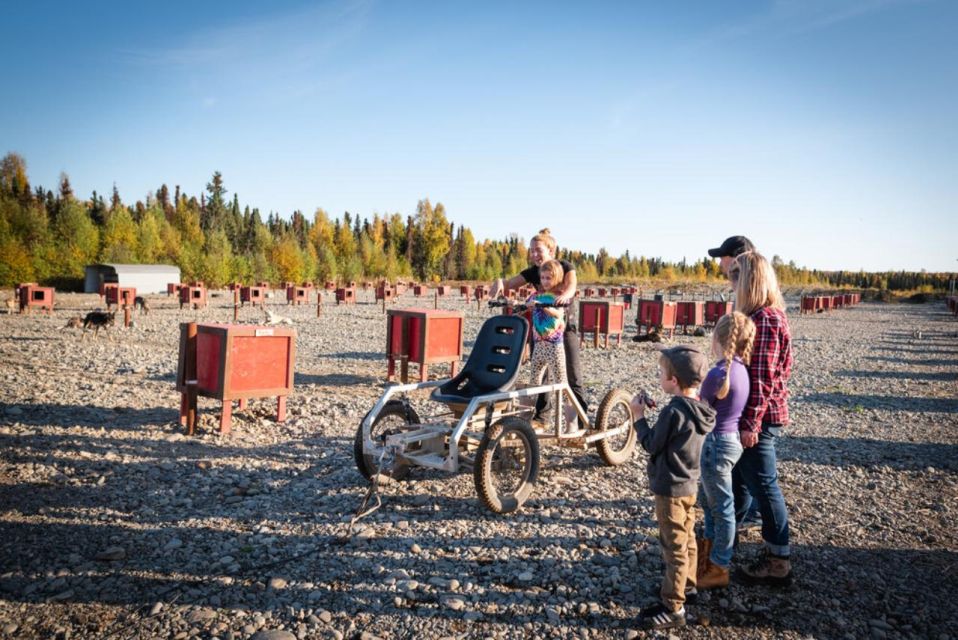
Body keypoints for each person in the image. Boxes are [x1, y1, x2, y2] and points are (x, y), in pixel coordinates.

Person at [631, 346, 715, 630]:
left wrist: (638, 417)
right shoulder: (700, 407)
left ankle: (673, 606)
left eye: (661, 373)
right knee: (688, 538)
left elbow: (652, 444)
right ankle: (687, 586)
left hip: (669, 489)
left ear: (674, 381)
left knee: (674, 546)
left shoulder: (674, 411)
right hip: (690, 485)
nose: (659, 376)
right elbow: (677, 432)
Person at [730, 252, 794, 586]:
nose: (731, 282)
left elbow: (763, 379)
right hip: (751, 417)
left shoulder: (766, 319)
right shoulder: (761, 315)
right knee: (741, 479)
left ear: (751, 280)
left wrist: (750, 423)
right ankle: (726, 537)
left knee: (764, 486)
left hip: (759, 418)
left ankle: (778, 560)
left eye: (736, 276)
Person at [491, 228, 587, 412]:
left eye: (538, 250)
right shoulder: (533, 272)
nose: (534, 254)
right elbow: (509, 284)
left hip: (563, 325)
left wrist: (564, 296)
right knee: (540, 373)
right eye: (532, 250)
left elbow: (572, 285)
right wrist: (500, 282)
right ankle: (541, 417)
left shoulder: (564, 266)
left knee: (571, 373)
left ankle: (579, 420)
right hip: (542, 328)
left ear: (551, 251)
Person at [696, 312, 756, 590]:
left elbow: (699, 409)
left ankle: (719, 565)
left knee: (721, 507)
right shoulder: (743, 370)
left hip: (715, 444)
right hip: (731, 441)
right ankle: (707, 557)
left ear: (717, 339)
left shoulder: (718, 373)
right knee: (710, 503)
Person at [708, 234, 761, 531]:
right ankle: (740, 515)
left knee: (754, 467)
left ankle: (742, 517)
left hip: (745, 402)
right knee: (741, 465)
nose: (720, 263)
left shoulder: (755, 303)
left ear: (739, 258)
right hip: (741, 395)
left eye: (723, 257)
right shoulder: (744, 295)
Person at [527, 260, 568, 431]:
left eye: (549, 278)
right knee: (534, 380)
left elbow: (558, 314)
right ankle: (528, 414)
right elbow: (526, 304)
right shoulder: (536, 295)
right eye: (543, 278)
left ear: (557, 279)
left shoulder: (558, 297)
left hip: (553, 345)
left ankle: (567, 418)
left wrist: (544, 307)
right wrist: (521, 305)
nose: (545, 281)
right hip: (539, 345)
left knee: (561, 381)